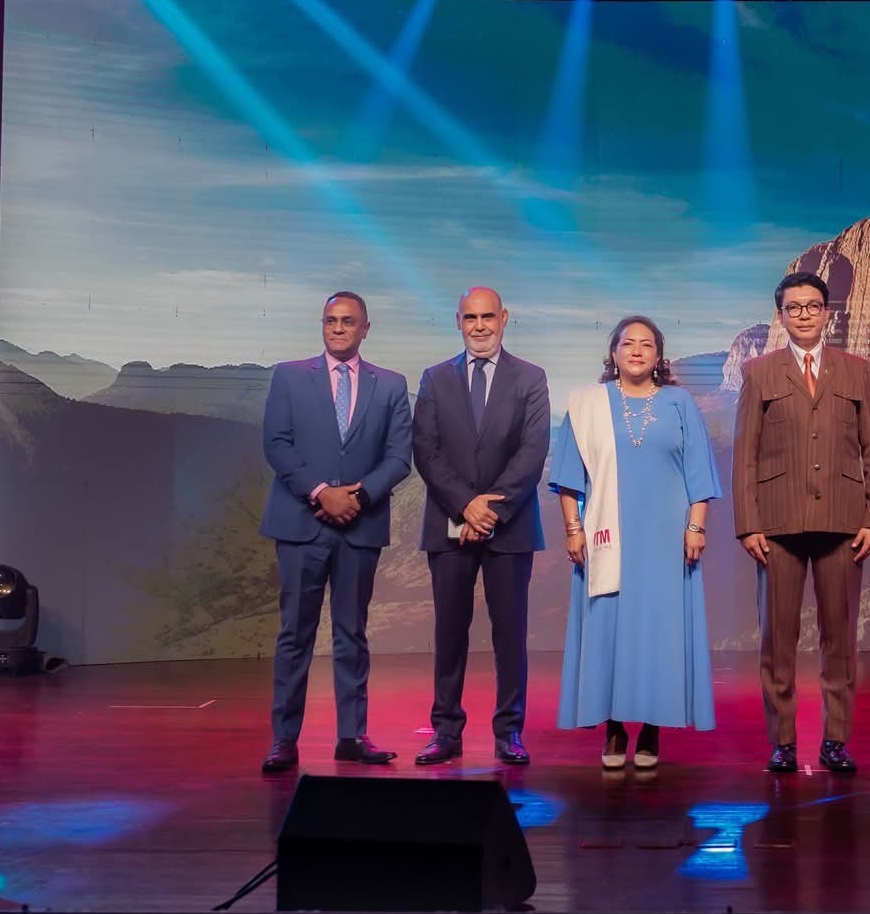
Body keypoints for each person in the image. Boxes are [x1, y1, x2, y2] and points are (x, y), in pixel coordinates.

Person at [732, 271, 870, 775]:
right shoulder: (759, 372)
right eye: (794, 307)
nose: (803, 314)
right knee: (777, 640)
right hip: (777, 525)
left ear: (827, 313)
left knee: (839, 640)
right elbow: (745, 455)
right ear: (781, 316)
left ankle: (835, 741)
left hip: (843, 523)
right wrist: (748, 524)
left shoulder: (855, 369)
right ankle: (782, 741)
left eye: (812, 306)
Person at [550, 316, 721, 768]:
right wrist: (573, 528)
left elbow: (699, 474)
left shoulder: (680, 403)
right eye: (628, 343)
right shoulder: (588, 405)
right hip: (607, 534)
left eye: (647, 344)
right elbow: (569, 476)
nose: (637, 350)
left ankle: (651, 728)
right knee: (610, 625)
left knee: (658, 631)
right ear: (614, 352)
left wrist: (696, 527)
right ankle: (613, 727)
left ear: (659, 355)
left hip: (666, 538)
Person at [258, 291, 415, 774]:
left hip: (359, 526)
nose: (339, 328)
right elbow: (276, 444)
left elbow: (399, 458)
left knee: (352, 634)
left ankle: (352, 736)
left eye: (348, 321)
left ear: (366, 328)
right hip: (301, 523)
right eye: (331, 320)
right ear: (322, 325)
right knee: (295, 634)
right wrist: (321, 492)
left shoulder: (391, 385)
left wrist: (357, 498)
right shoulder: (288, 376)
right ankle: (284, 740)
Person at [410, 287, 551, 767]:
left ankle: (509, 731)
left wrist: (489, 511)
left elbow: (532, 452)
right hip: (448, 524)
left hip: (509, 527)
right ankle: (445, 731)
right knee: (449, 633)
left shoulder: (530, 378)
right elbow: (426, 451)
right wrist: (464, 506)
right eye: (470, 317)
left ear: (504, 318)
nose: (479, 326)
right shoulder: (434, 379)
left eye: (487, 316)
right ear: (458, 321)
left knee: (509, 635)